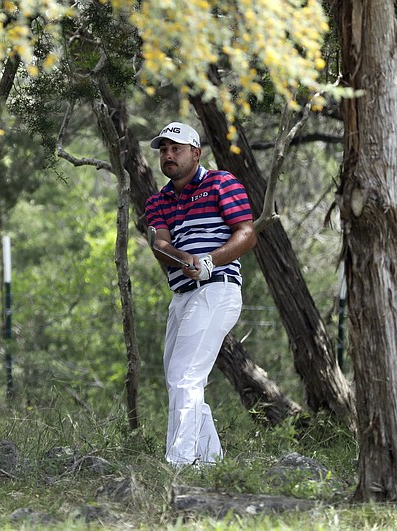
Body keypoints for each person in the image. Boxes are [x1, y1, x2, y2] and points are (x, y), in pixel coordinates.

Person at [145, 121, 256, 467]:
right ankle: (208, 461)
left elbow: (247, 234)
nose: (168, 155)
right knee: (180, 378)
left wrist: (208, 260)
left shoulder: (222, 182)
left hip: (217, 289)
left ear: (196, 152)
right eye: (163, 150)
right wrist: (183, 258)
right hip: (182, 297)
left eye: (176, 149)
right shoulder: (158, 200)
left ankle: (179, 463)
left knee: (184, 375)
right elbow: (160, 245)